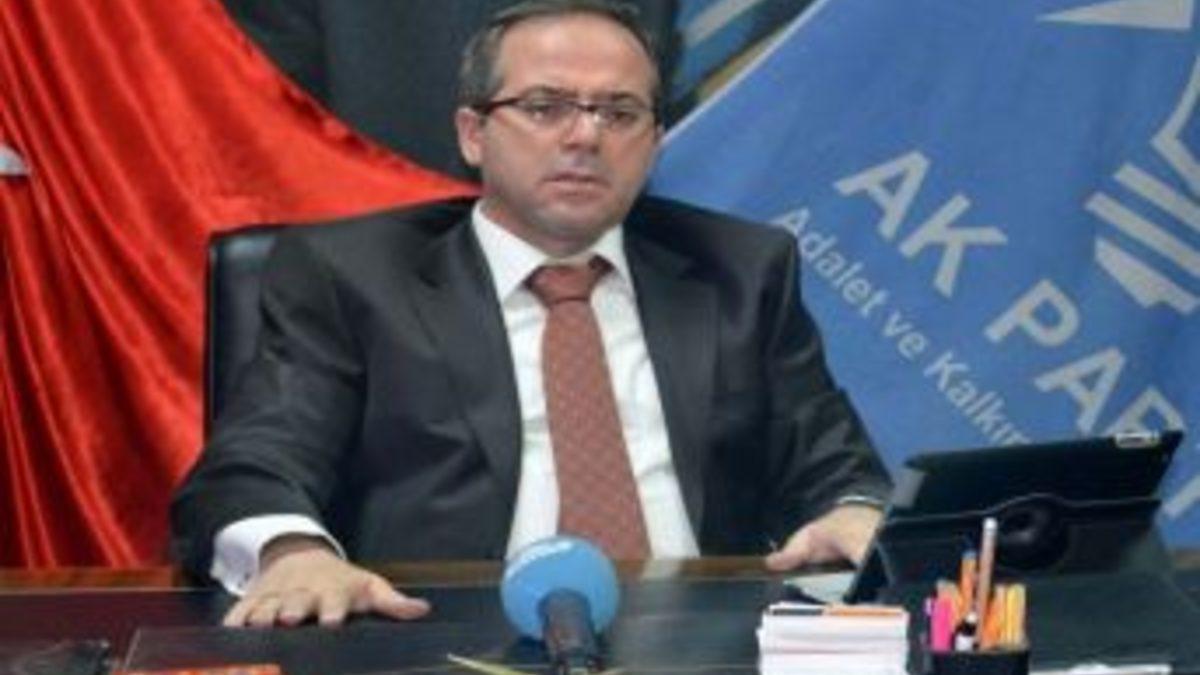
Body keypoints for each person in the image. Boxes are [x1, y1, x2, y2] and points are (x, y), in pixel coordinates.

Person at [172, 0, 892, 629]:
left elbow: (836, 470)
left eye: (619, 113)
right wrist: (294, 553)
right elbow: (254, 465)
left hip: (703, 639)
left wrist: (853, 511)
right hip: (440, 639)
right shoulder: (355, 276)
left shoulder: (740, 270)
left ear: (652, 141)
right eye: (546, 107)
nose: (585, 137)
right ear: (473, 133)